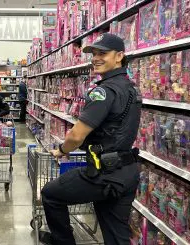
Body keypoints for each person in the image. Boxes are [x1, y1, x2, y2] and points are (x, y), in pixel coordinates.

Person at [39, 33, 142, 245]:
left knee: (50, 194)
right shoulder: (132, 88)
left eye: (102, 53)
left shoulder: (103, 92)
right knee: (115, 233)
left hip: (104, 174)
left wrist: (62, 150)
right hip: (127, 171)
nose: (96, 58)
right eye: (94, 54)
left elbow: (76, 135)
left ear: (119, 56)